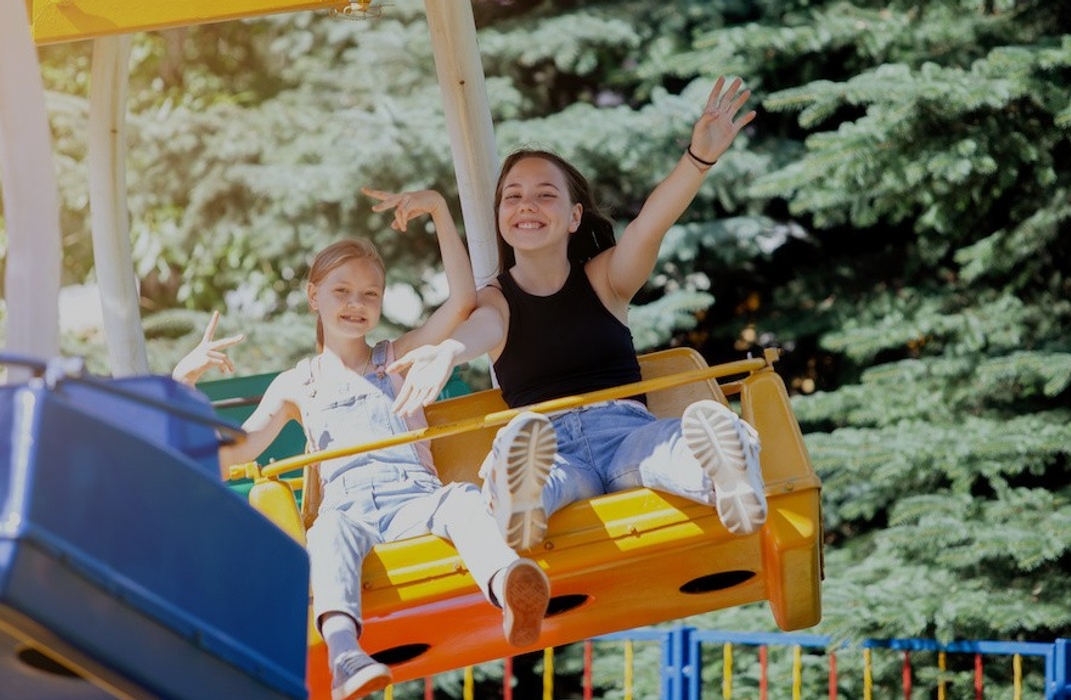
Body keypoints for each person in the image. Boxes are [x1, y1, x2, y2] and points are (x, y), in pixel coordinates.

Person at [171, 190, 550, 700]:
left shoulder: (398, 357)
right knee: (326, 532)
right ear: (314, 296)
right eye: (342, 291)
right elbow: (236, 451)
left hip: (416, 499)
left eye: (370, 295)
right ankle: (346, 654)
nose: (356, 304)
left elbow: (462, 302)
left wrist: (438, 209)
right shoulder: (294, 383)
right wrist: (182, 386)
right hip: (351, 510)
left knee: (460, 501)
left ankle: (510, 587)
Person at [386, 77, 768, 553]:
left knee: (662, 450)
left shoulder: (605, 279)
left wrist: (698, 159)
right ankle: (517, 494)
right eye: (513, 196)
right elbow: (481, 330)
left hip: (624, 429)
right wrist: (447, 349)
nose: (526, 203)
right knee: (549, 477)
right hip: (546, 442)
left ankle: (721, 470)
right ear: (502, 219)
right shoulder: (497, 299)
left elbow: (652, 223)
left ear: (573, 217)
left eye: (545, 194)